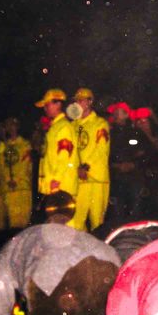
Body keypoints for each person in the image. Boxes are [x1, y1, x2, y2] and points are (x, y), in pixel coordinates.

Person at [69, 88, 110, 232]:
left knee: (97, 222)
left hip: (96, 179)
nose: (78, 103)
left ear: (90, 102)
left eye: (81, 100)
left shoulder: (100, 123)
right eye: (76, 100)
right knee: (75, 222)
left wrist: (86, 166)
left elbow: (101, 149)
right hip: (79, 180)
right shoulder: (72, 125)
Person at [35, 88, 79, 203]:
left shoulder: (63, 127)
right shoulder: (54, 127)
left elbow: (64, 154)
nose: (45, 108)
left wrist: (57, 179)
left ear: (58, 104)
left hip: (61, 186)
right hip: (54, 185)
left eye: (47, 105)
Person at [0, 117, 32, 231]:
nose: (11, 128)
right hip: (7, 189)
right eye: (8, 126)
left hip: (22, 188)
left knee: (23, 223)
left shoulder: (25, 144)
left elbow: (26, 165)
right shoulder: (0, 146)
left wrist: (17, 179)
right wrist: (6, 179)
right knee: (9, 223)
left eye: (13, 125)